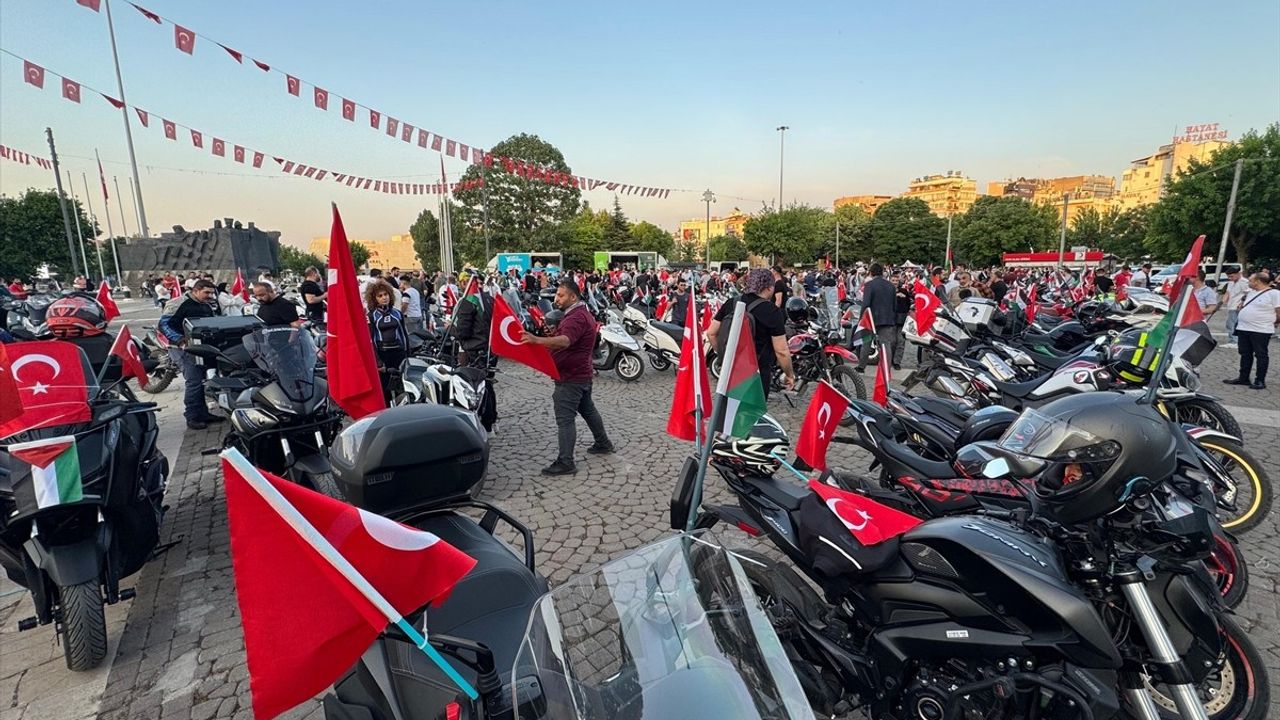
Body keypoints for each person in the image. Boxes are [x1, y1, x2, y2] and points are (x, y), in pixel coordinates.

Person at [520, 280, 614, 476]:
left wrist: (537, 340)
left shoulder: (575, 317)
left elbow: (565, 341)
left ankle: (566, 461)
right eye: (556, 295)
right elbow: (568, 338)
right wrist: (552, 335)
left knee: (565, 419)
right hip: (582, 373)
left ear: (573, 297)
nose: (556, 299)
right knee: (588, 409)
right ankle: (603, 443)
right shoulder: (580, 313)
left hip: (571, 377)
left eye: (561, 296)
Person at [707, 268, 795, 399]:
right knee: (752, 415)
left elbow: (711, 333)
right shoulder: (772, 311)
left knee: (732, 412)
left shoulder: (732, 302)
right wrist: (789, 374)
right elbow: (781, 351)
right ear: (770, 288)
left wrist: (724, 356)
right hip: (758, 373)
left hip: (732, 371)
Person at [158, 279, 224, 430]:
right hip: (180, 348)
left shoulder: (206, 304)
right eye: (206, 292)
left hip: (201, 347)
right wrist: (181, 341)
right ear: (195, 291)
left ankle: (203, 413)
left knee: (201, 379)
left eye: (212, 293)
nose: (210, 296)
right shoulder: (177, 303)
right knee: (194, 380)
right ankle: (192, 416)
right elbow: (164, 325)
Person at [1223, 272, 1280, 390]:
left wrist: (1276, 322)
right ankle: (1243, 377)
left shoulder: (1274, 294)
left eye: (1250, 280)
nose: (1248, 282)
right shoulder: (1251, 293)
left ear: (1258, 281)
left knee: (1261, 354)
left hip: (1261, 329)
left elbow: (1278, 310)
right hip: (1244, 328)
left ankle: (1260, 380)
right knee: (1245, 353)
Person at [366, 279, 408, 404]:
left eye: (386, 294)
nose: (384, 298)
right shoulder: (372, 316)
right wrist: (378, 362)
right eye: (380, 296)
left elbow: (404, 335)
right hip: (383, 356)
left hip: (399, 354)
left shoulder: (398, 313)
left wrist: (408, 355)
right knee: (385, 390)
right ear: (375, 299)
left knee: (402, 388)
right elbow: (371, 340)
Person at [856, 264, 898, 373]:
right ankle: (887, 367)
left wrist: (861, 318)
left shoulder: (869, 285)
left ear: (871, 272)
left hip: (872, 318)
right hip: (888, 318)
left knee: (866, 342)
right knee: (886, 344)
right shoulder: (891, 286)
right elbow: (895, 304)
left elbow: (866, 304)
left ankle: (861, 366)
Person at [453, 278, 493, 367]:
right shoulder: (489, 299)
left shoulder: (468, 301)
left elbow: (463, 333)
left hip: (474, 350)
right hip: (488, 348)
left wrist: (449, 328)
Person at [1221, 268, 1248, 348]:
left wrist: (1242, 304)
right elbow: (1228, 293)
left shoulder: (1244, 282)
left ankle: (1234, 341)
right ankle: (1235, 340)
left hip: (1238, 306)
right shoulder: (1231, 282)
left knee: (1232, 324)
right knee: (1231, 323)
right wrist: (1221, 302)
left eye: (1231, 276)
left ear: (1238, 274)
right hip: (1231, 305)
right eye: (1228, 277)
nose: (1230, 278)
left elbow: (1248, 294)